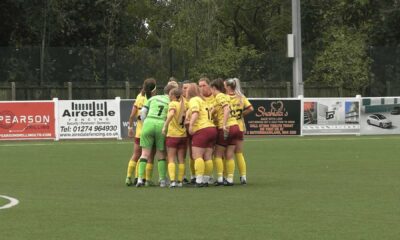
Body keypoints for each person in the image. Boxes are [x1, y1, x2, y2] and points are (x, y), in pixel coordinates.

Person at [136, 83, 177, 187]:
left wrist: (146, 122)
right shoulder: (171, 102)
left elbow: (143, 112)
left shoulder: (154, 98)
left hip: (148, 123)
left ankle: (140, 179)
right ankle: (163, 180)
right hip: (161, 124)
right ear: (171, 93)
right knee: (161, 154)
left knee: (144, 154)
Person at [210, 78, 241, 186]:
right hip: (236, 126)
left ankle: (219, 178)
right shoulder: (226, 96)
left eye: (211, 89)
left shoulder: (219, 96)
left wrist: (223, 124)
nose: (211, 92)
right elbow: (217, 109)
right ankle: (230, 179)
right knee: (229, 155)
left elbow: (226, 109)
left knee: (217, 154)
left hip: (227, 127)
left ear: (214, 88)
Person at [125, 78, 156, 186]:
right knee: (149, 156)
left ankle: (129, 177)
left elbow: (132, 115)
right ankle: (145, 179)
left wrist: (130, 128)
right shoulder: (154, 99)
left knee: (136, 154)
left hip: (139, 131)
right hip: (150, 132)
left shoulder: (139, 97)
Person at [187, 83, 217, 187]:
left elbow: (195, 112)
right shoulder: (204, 100)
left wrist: (191, 125)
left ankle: (199, 180)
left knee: (197, 156)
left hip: (202, 129)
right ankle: (206, 180)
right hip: (212, 129)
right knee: (208, 157)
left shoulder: (193, 100)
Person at [225, 78, 254, 184]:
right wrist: (241, 114)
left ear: (228, 87)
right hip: (240, 127)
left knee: (228, 153)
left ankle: (229, 177)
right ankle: (243, 176)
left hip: (230, 127)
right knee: (239, 153)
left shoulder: (225, 97)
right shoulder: (241, 97)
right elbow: (250, 108)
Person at [162, 87, 187, 188]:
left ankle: (172, 181)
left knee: (171, 158)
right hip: (183, 135)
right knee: (181, 159)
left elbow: (171, 114)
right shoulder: (184, 105)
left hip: (173, 135)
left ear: (172, 95)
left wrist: (165, 126)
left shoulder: (172, 104)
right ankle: (180, 181)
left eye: (169, 94)